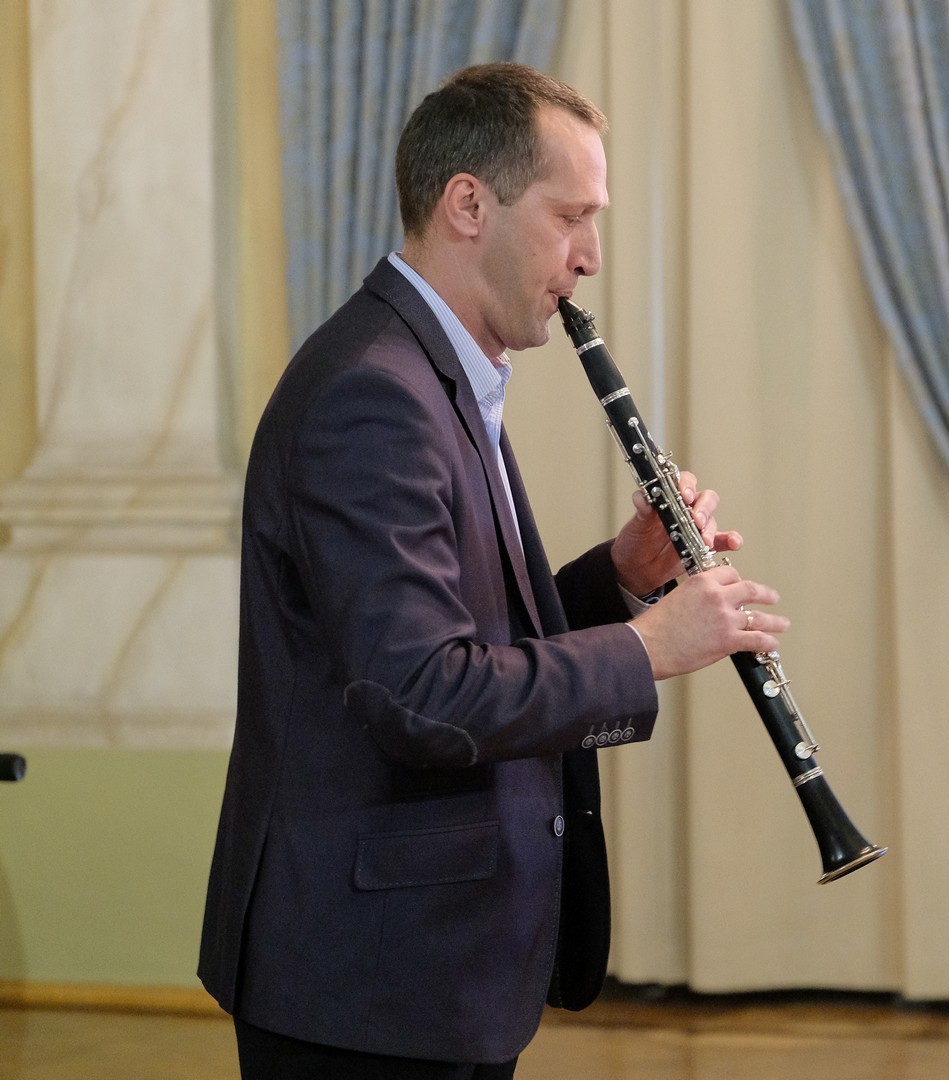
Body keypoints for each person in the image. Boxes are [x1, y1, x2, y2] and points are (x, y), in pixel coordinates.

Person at [198, 62, 787, 1078]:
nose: (590, 256)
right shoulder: (372, 396)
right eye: (571, 217)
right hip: (368, 977)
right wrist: (646, 647)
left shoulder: (436, 373)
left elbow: (474, 634)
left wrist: (622, 576)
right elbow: (423, 694)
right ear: (468, 204)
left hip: (431, 965)